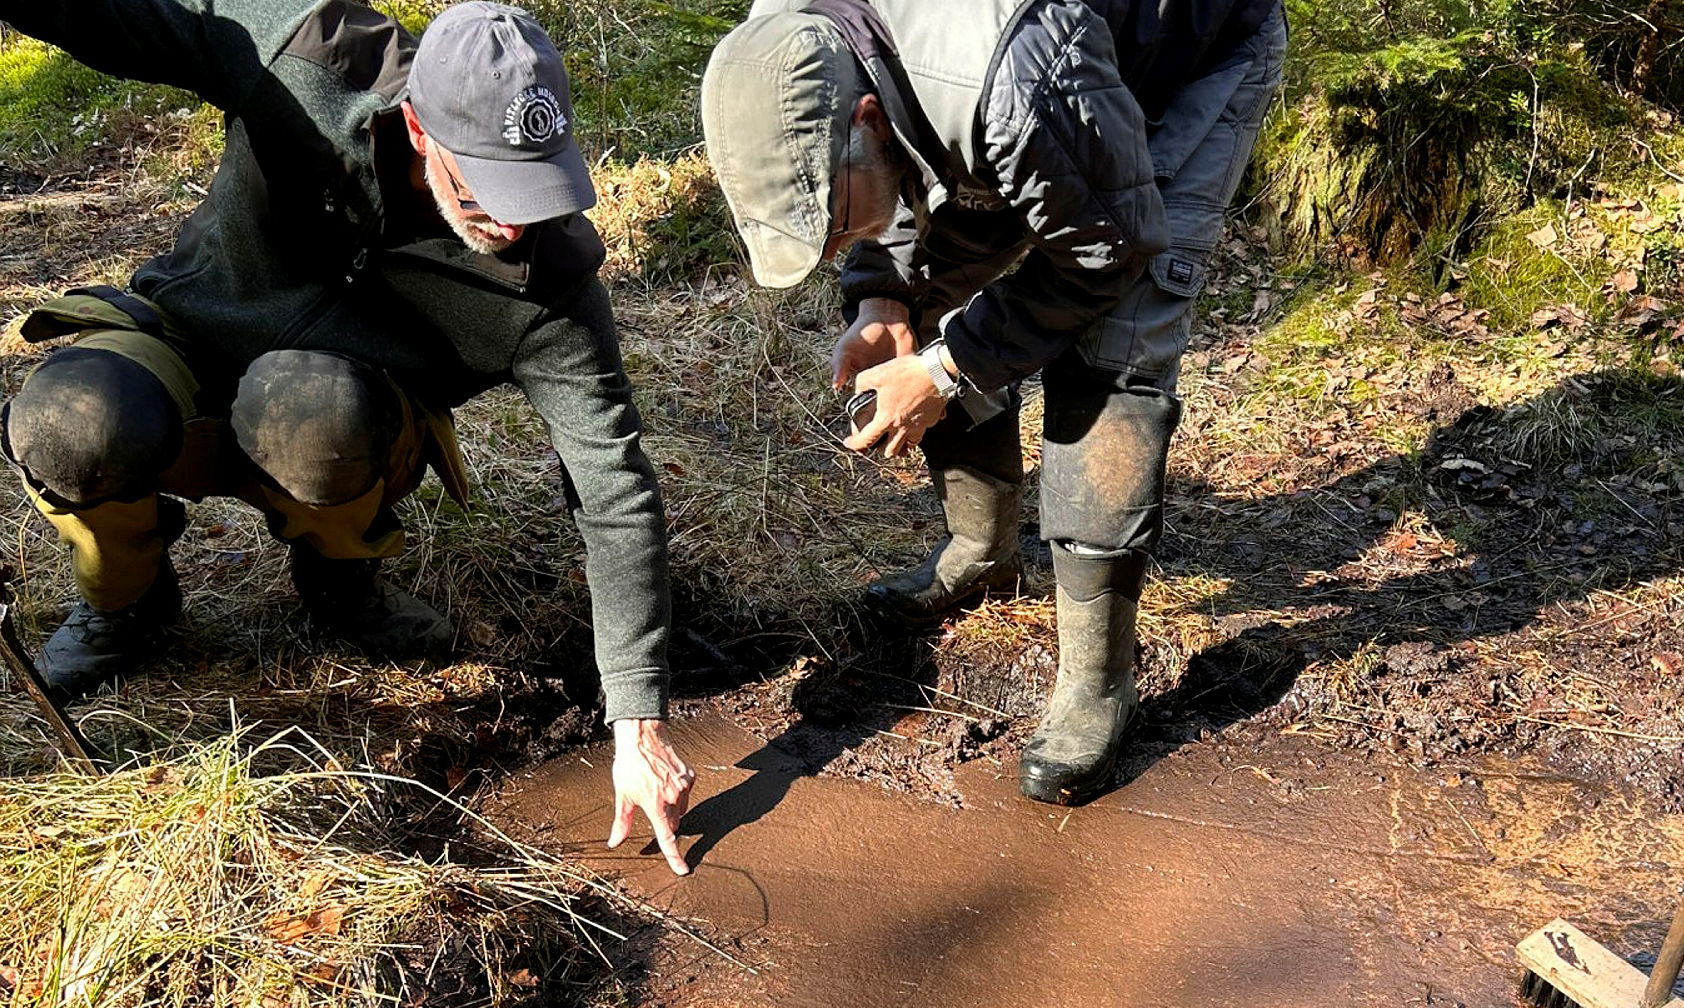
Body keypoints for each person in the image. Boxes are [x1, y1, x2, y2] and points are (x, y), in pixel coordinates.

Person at [0, 0, 694, 873]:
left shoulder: (548, 285)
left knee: (313, 411)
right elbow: (132, 17)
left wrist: (637, 716)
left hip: (335, 415)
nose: (511, 224)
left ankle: (338, 579)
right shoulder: (306, 55)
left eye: (534, 187)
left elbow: (613, 487)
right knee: (71, 421)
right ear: (418, 126)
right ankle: (124, 602)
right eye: (483, 188)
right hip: (183, 340)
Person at [701, 0, 1286, 804]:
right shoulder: (794, 40)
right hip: (1039, 88)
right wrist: (881, 297)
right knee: (925, 312)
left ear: (865, 119)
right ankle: (982, 552)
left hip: (1190, 61)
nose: (832, 248)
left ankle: (1097, 682)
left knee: (1110, 361)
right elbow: (898, 165)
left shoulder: (1007, 84)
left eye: (831, 224)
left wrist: (944, 373)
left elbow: (1108, 252)